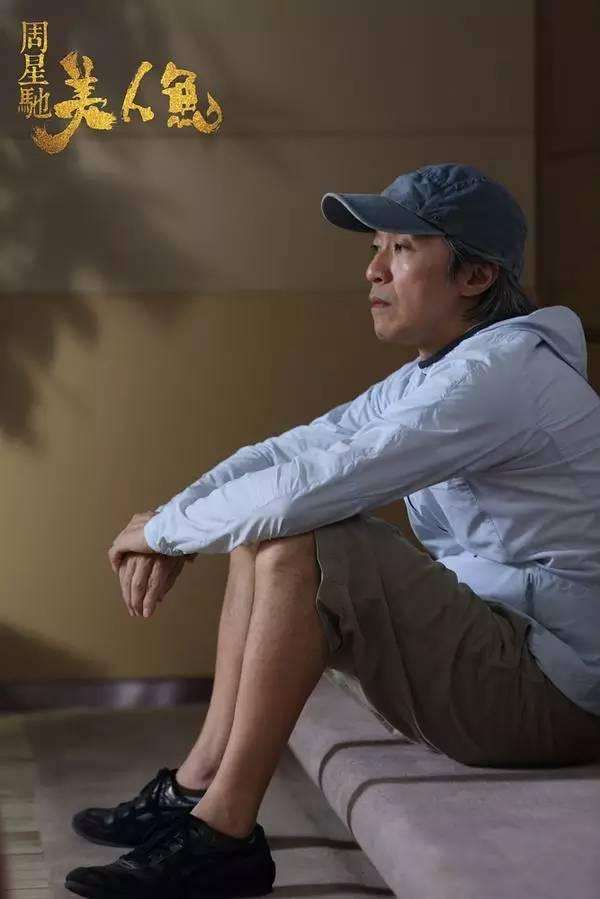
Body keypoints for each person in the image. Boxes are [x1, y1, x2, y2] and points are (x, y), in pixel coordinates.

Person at [65, 162, 600, 899]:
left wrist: (168, 534)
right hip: (504, 654)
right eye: (376, 247)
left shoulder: (501, 377)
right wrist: (171, 515)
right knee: (265, 528)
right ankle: (199, 784)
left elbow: (312, 486)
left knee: (311, 533)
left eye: (402, 249)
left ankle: (223, 834)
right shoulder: (435, 373)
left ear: (475, 276)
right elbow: (289, 453)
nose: (373, 270)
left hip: (555, 699)